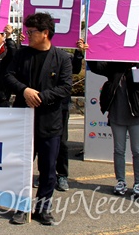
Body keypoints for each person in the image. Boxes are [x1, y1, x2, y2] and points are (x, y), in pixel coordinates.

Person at [4, 13, 72, 226]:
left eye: (32, 32)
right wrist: (24, 91)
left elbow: (66, 87)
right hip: (23, 120)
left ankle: (43, 208)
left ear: (45, 33)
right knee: (21, 166)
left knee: (48, 168)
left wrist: (41, 97)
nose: (28, 35)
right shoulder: (22, 54)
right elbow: (8, 76)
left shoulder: (62, 58)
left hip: (49, 121)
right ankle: (21, 207)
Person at [87, 39, 139, 202]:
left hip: (137, 115)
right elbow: (97, 67)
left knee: (137, 151)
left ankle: (138, 184)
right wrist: (89, 52)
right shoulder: (113, 65)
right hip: (117, 116)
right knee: (119, 150)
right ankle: (121, 182)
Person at [54, 39, 86, 191]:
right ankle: (45, 173)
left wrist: (79, 53)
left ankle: (62, 175)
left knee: (62, 142)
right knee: (42, 142)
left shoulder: (65, 55)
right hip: (41, 103)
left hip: (61, 105)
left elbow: (75, 68)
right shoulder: (39, 53)